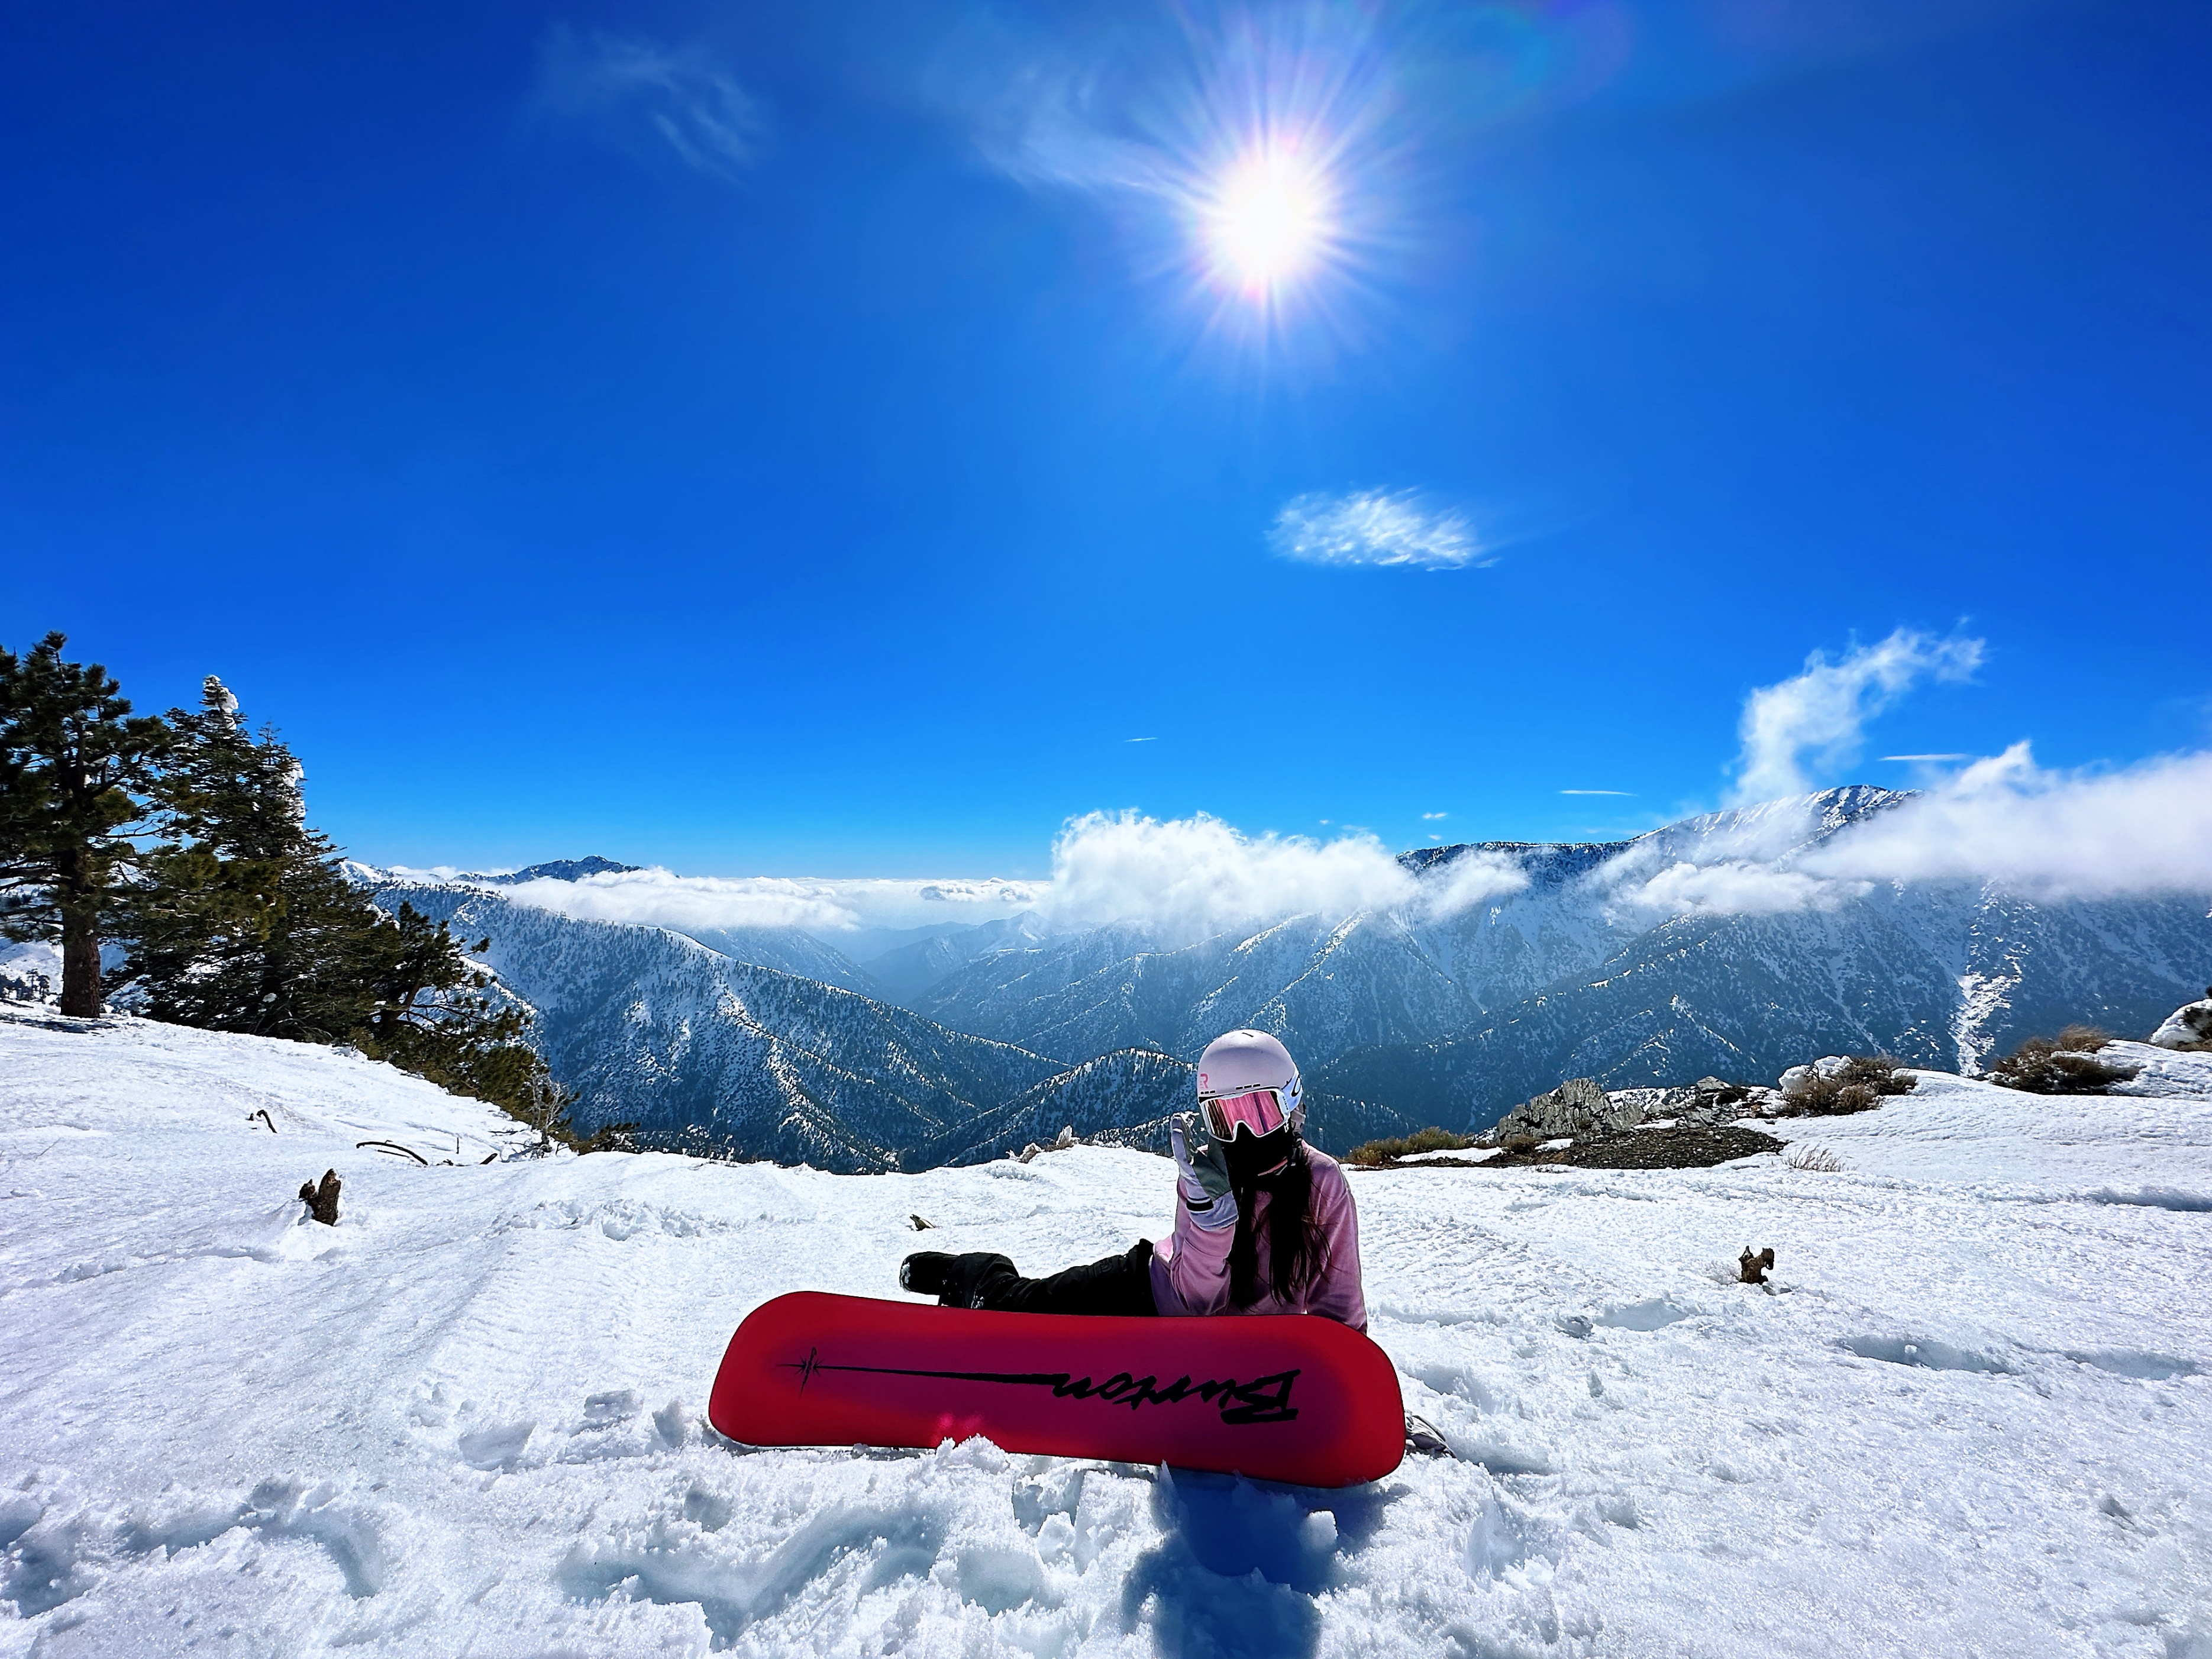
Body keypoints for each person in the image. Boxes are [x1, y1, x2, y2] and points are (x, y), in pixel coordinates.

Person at [898, 1029, 1367, 1331]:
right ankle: (972, 1276)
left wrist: (1350, 1383)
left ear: (1291, 1106)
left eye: (1258, 1113)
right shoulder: (1207, 1177)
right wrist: (1211, 1222)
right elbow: (1195, 1300)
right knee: (1020, 1316)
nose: (1242, 1135)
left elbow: (1339, 1305)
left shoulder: (1322, 1183)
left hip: (1227, 1352)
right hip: (1147, 1292)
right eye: (1224, 1120)